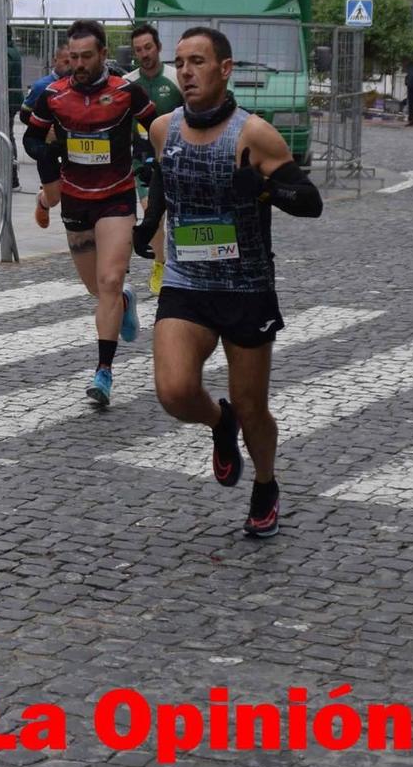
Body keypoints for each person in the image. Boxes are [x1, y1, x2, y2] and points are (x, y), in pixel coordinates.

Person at [133, 26, 324, 538]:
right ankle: (220, 424)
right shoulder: (163, 128)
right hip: (187, 279)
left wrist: (262, 189)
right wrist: (150, 223)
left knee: (252, 406)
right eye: (180, 63)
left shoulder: (254, 134)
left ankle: (265, 482)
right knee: (174, 391)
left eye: (197, 61)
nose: (186, 72)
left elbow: (310, 202)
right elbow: (164, 178)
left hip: (245, 286)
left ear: (225, 68)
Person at [24, 20, 158, 407]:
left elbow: (159, 127)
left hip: (116, 197)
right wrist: (45, 152)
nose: (78, 64)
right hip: (76, 198)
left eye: (86, 57)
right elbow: (32, 137)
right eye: (73, 57)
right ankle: (125, 303)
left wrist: (150, 162)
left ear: (103, 54)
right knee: (97, 290)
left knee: (111, 279)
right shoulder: (53, 96)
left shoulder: (126, 93)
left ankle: (103, 372)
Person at [123, 25, 183, 290]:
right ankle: (159, 265)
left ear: (158, 47)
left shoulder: (176, 78)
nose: (144, 53)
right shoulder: (127, 82)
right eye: (138, 50)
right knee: (151, 214)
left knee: (179, 215)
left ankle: (182, 264)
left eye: (148, 47)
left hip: (177, 157)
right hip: (144, 160)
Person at [22, 43, 74, 230]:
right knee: (54, 198)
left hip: (73, 147)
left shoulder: (80, 85)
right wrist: (46, 130)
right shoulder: (42, 86)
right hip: (48, 147)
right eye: (66, 61)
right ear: (55, 61)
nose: (71, 66)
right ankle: (43, 201)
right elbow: (24, 114)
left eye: (74, 61)